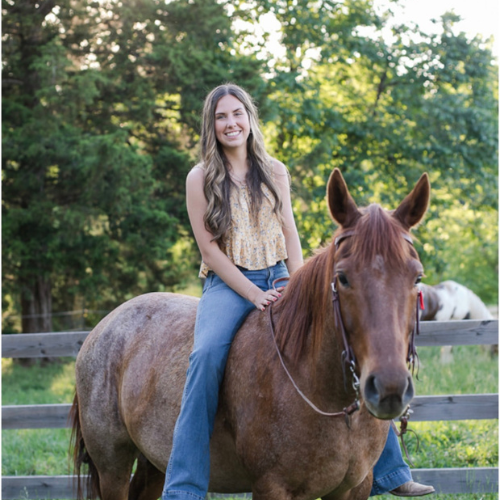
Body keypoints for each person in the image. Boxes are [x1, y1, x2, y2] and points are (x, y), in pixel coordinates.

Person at [161, 83, 434, 500]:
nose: (230, 123)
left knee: (348, 345)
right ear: (210, 125)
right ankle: (183, 488)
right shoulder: (200, 178)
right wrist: (253, 296)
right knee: (206, 357)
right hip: (229, 284)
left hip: (282, 275)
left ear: (250, 119)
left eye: (237, 114)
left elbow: (289, 229)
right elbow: (209, 251)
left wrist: (298, 282)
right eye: (221, 117)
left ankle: (391, 471)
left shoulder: (275, 170)